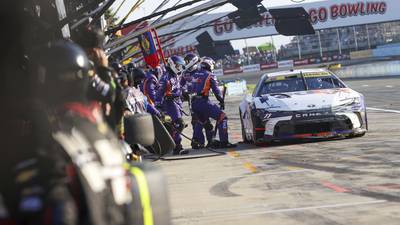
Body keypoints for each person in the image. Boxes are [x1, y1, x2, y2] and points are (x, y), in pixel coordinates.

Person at [190, 57, 236, 148]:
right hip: (203, 101)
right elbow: (216, 90)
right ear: (209, 64)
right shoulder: (210, 75)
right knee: (222, 117)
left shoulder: (195, 74)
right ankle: (224, 142)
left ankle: (198, 142)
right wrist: (221, 101)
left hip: (194, 102)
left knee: (201, 121)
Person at [156, 56, 188, 155]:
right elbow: (159, 93)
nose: (179, 68)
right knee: (179, 124)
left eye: (180, 66)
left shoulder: (175, 75)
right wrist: (158, 106)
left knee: (177, 125)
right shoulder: (166, 77)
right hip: (170, 103)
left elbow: (178, 88)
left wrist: (184, 93)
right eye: (178, 66)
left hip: (177, 103)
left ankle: (175, 146)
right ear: (172, 64)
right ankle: (177, 147)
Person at [182, 53, 213, 149]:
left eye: (187, 61)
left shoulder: (201, 70)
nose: (185, 63)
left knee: (206, 120)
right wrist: (184, 92)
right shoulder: (184, 73)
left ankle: (211, 140)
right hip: (192, 100)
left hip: (203, 99)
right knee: (195, 121)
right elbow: (180, 85)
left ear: (193, 61)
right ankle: (199, 141)